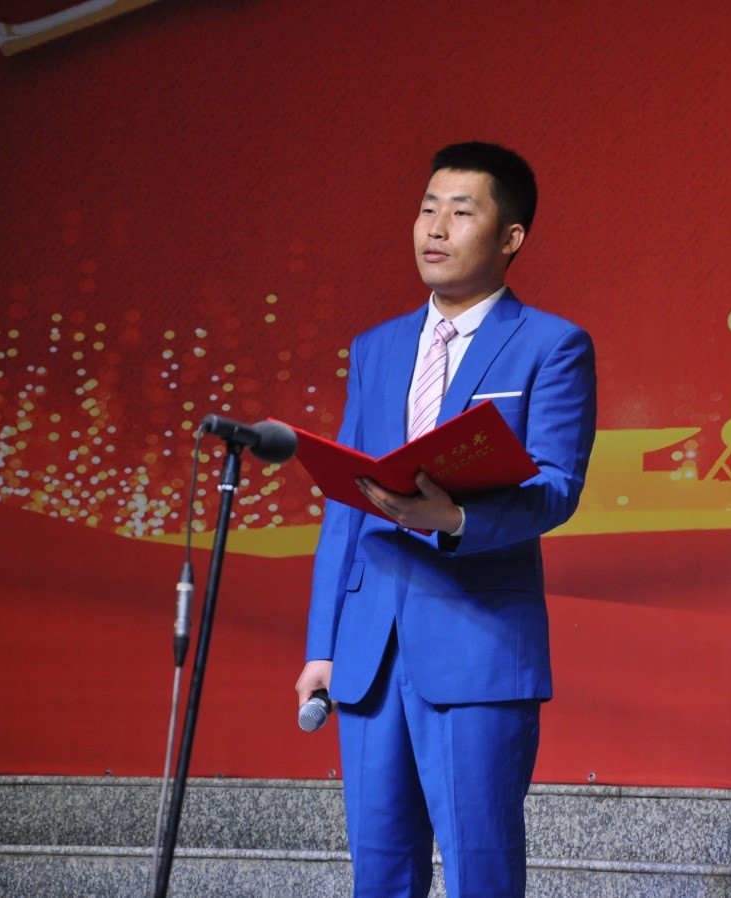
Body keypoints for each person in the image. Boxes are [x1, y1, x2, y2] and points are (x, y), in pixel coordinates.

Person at [294, 141, 597, 898]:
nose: (435, 228)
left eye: (461, 213)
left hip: (478, 646)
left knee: (479, 871)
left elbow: (556, 488)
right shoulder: (376, 347)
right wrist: (324, 645)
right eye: (427, 209)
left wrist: (454, 517)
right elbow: (346, 507)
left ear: (510, 236)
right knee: (379, 874)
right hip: (369, 654)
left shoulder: (552, 346)